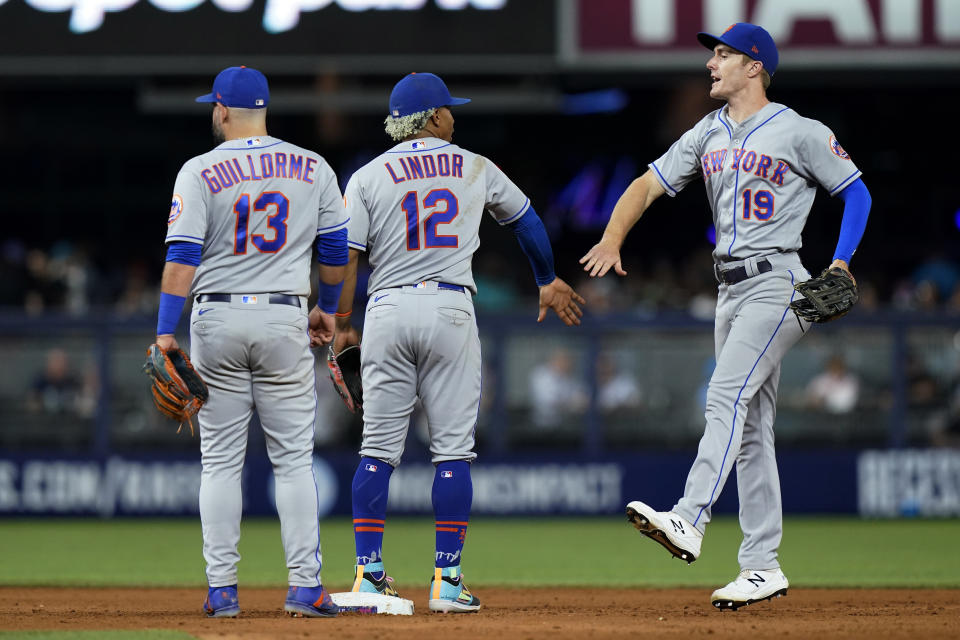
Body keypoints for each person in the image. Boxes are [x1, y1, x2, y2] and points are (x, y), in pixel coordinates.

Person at [580, 23, 871, 610]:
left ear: (754, 66)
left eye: (723, 54)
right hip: (729, 291)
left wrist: (840, 262)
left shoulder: (800, 130)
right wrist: (612, 238)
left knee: (724, 396)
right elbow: (645, 184)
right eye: (713, 54)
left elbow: (857, 194)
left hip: (780, 284)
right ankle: (763, 566)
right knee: (753, 430)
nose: (711, 63)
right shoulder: (707, 133)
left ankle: (688, 517)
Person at [333, 72, 585, 613]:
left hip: (388, 307)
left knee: (377, 450)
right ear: (432, 118)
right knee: (452, 452)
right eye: (449, 110)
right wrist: (545, 278)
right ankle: (447, 581)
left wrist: (341, 322)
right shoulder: (474, 164)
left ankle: (369, 576)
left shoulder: (367, 176)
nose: (454, 116)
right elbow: (527, 221)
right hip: (449, 306)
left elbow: (346, 257)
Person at [152, 66, 348, 619]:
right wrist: (328, 311)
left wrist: (166, 331)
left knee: (219, 463)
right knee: (293, 462)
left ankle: (222, 593)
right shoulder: (313, 166)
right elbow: (335, 251)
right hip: (284, 316)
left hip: (216, 317)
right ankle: (305, 588)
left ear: (221, 110)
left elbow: (182, 258)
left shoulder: (200, 169)